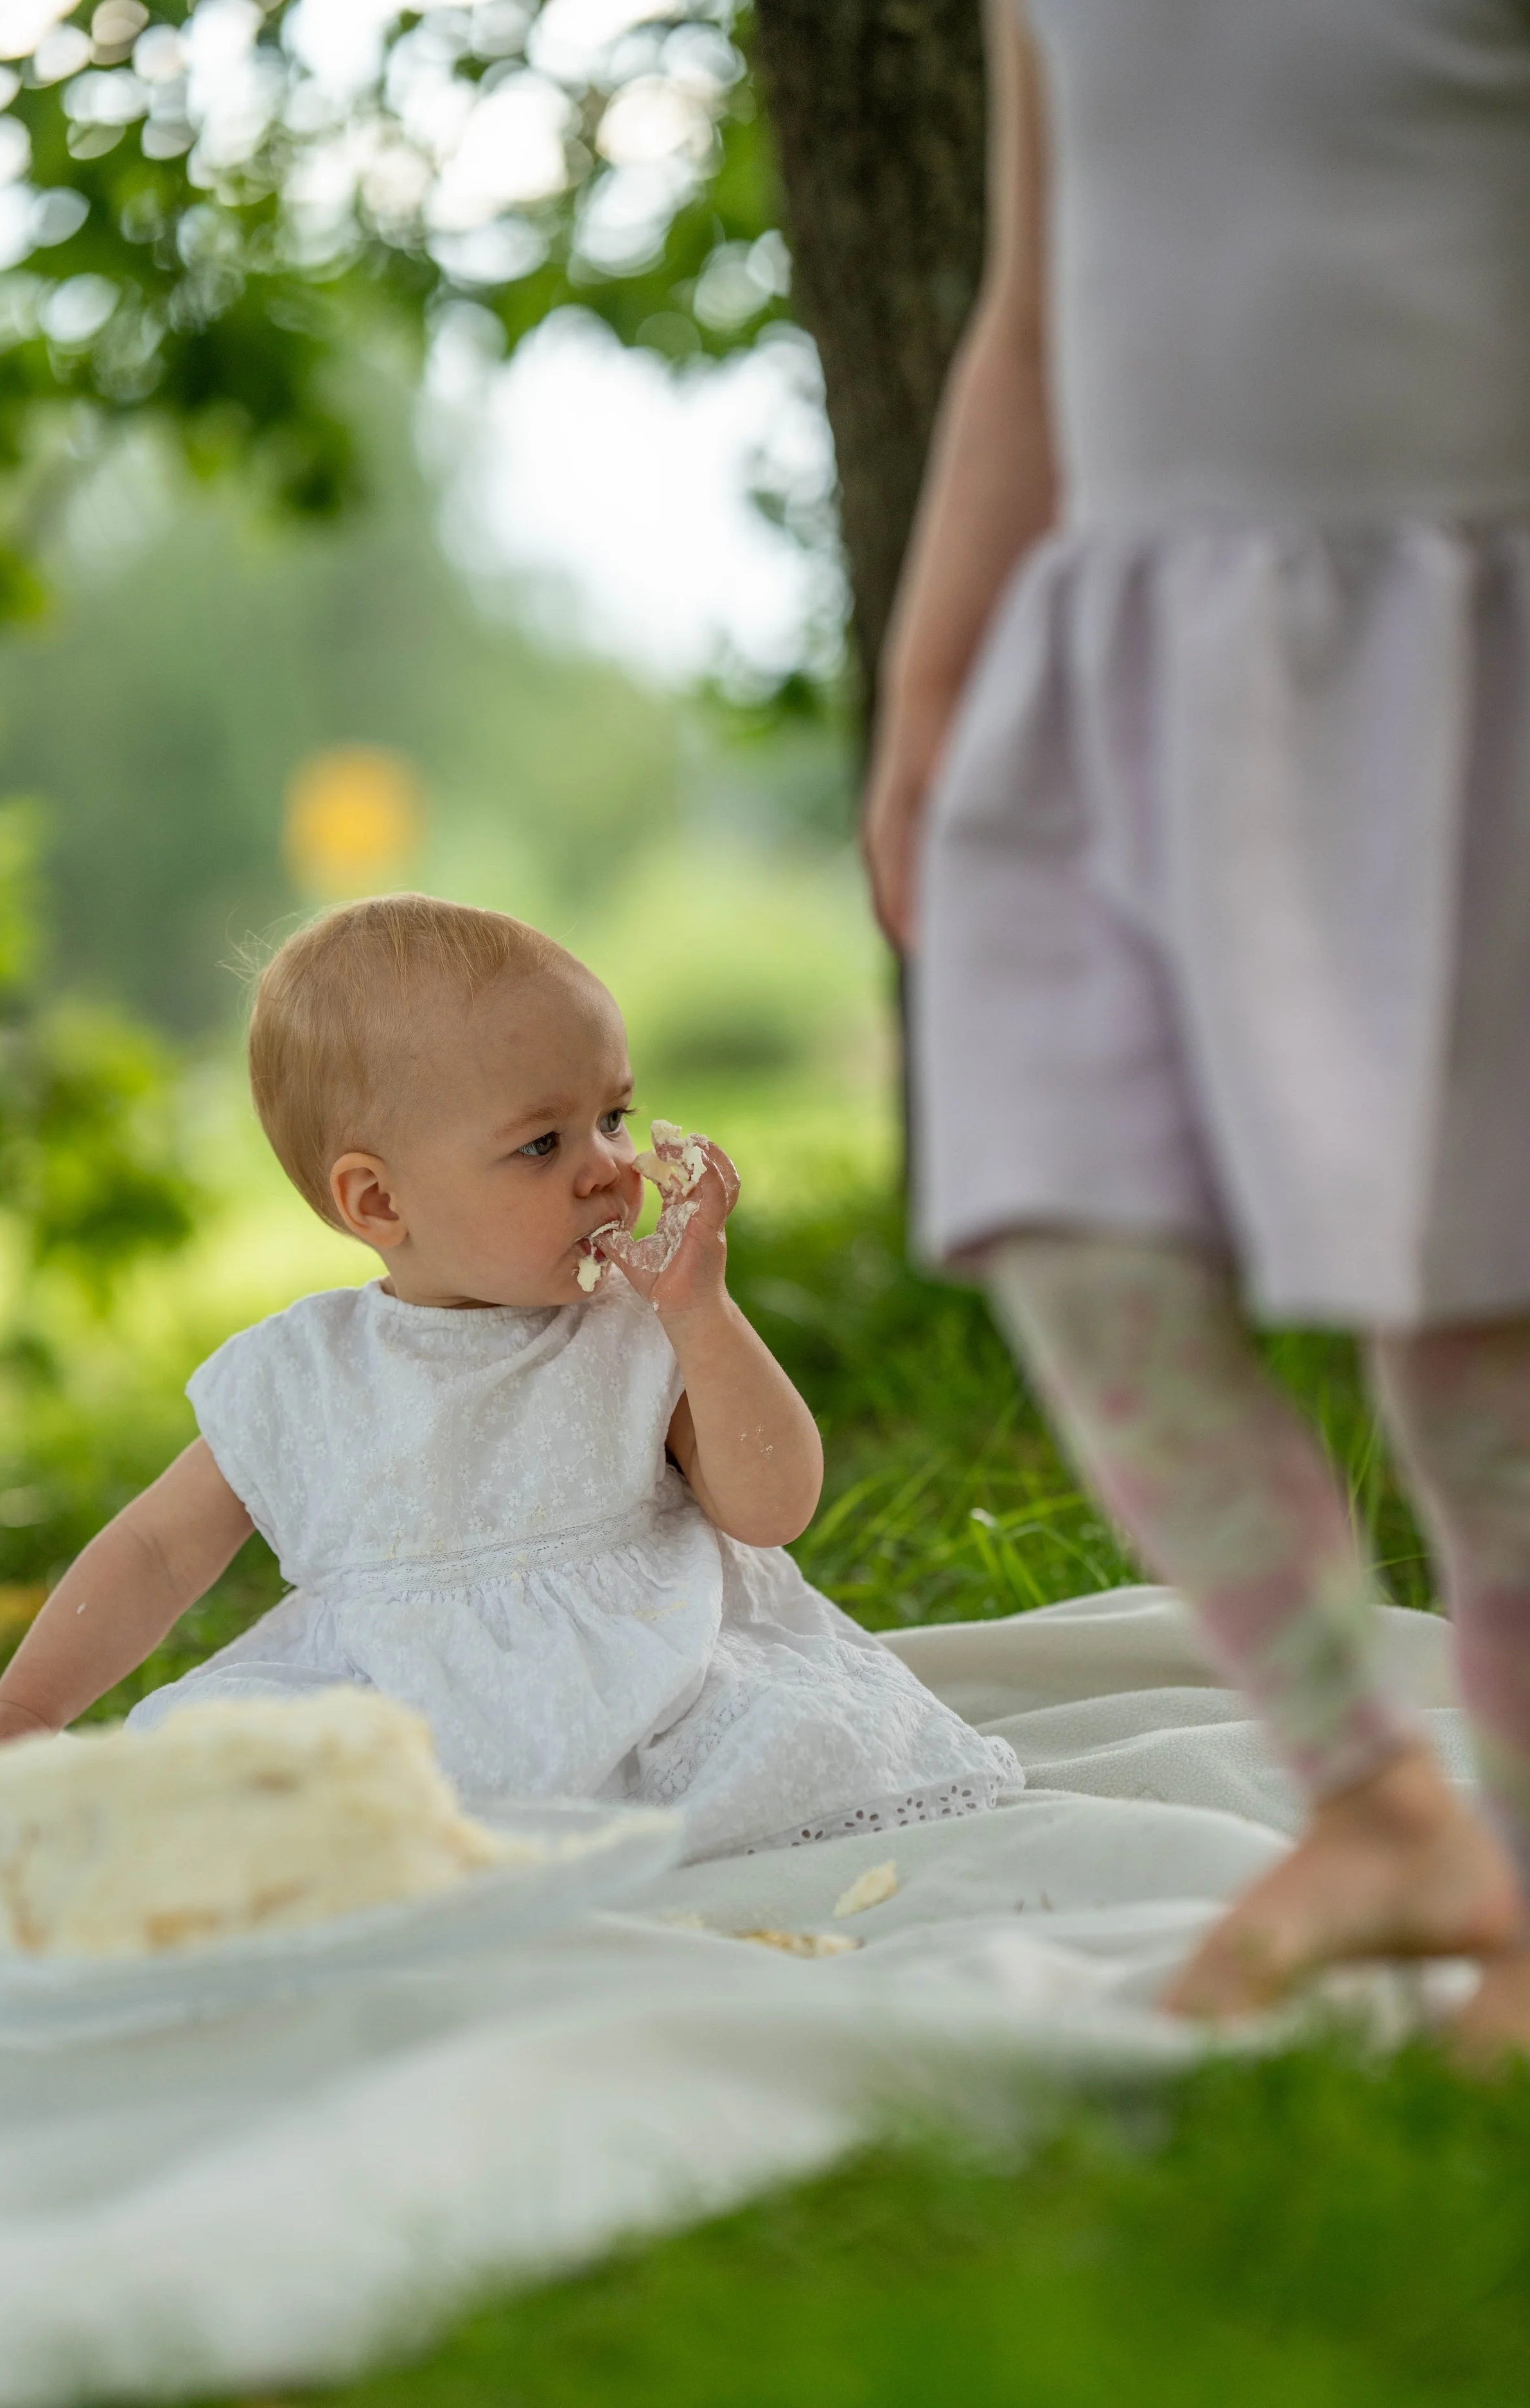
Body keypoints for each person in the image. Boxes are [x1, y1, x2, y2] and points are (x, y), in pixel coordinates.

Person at [865, 0, 1530, 2044]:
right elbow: (1033, 322)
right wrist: (928, 685)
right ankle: (1370, 1783)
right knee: (1063, 1207)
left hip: (1454, 637)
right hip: (1131, 658)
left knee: (1470, 1321)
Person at [0, 896, 1021, 1856]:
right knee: (230, 1782)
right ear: (379, 1205)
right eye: (543, 1144)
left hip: (651, 1689)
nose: (610, 1168)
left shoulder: (641, 1330)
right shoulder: (304, 1374)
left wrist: (706, 1315)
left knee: (795, 1740)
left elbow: (773, 1509)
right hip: (397, 1716)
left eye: (613, 1116)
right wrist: (25, 1709)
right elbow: (157, 1552)